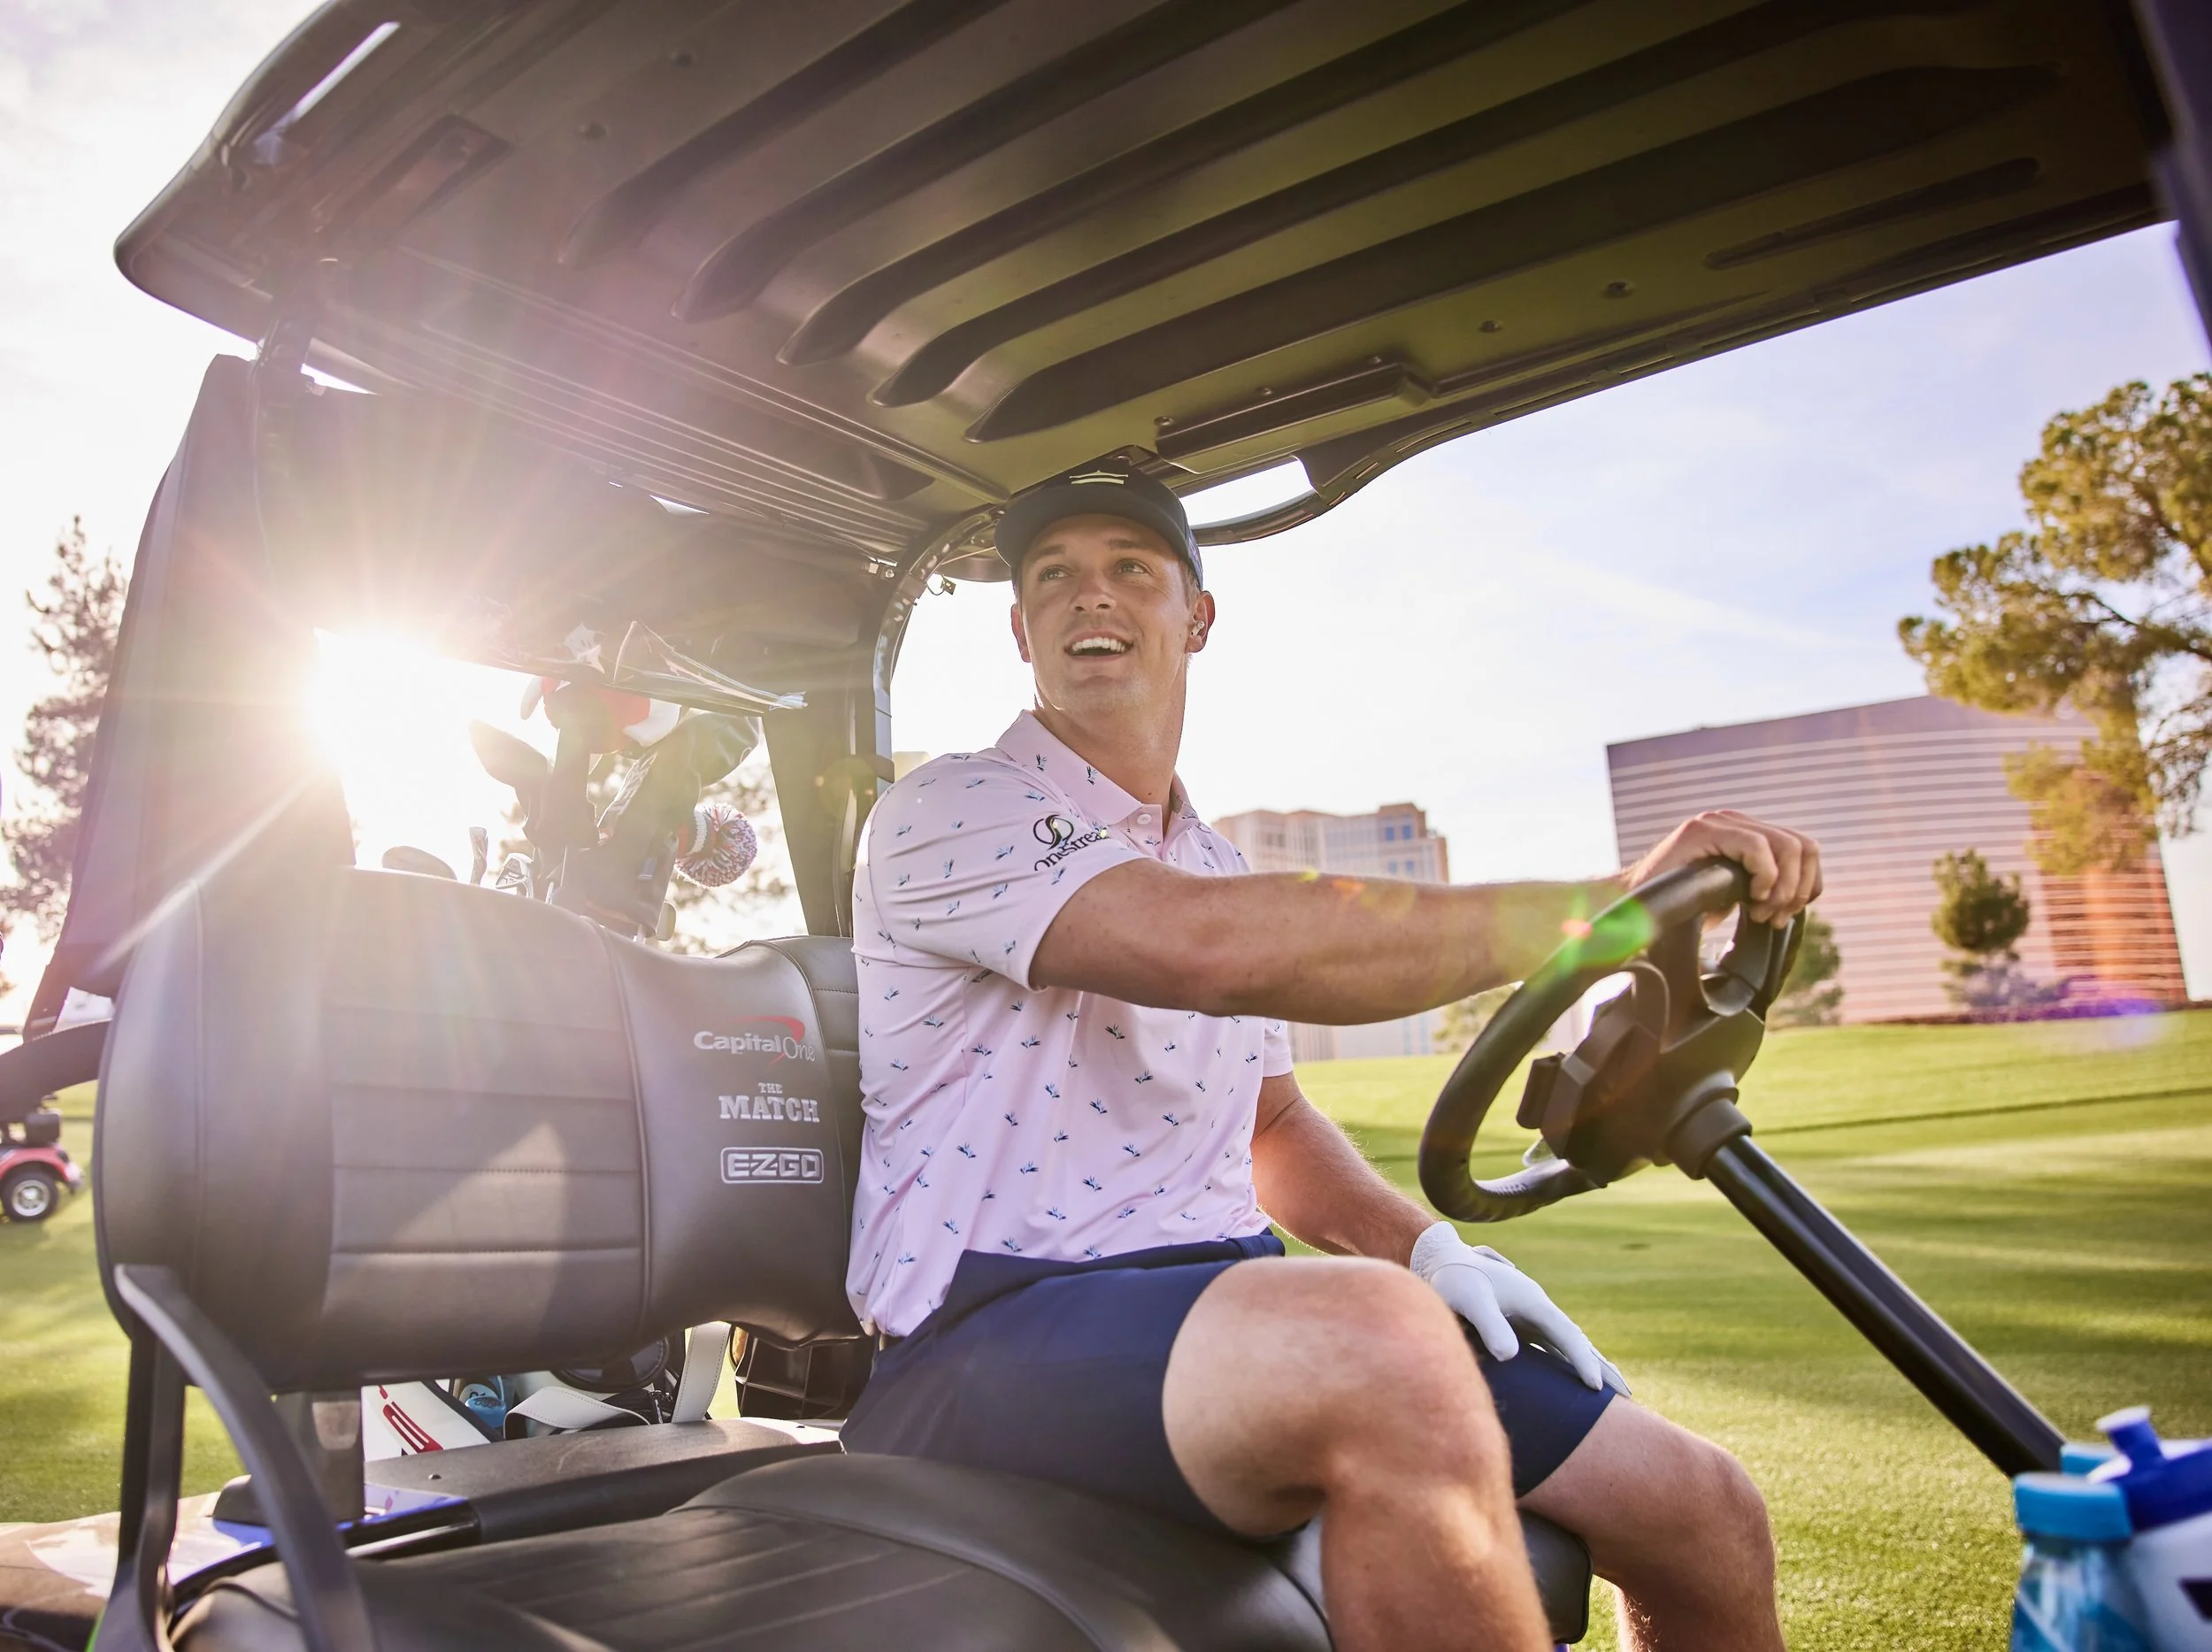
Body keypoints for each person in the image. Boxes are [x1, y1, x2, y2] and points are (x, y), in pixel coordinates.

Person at [840, 462, 1817, 1652]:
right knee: (1380, 1341)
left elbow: (1270, 1126)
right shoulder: (956, 805)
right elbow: (1202, 948)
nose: (1090, 597)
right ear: (1020, 628)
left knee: (1704, 1510)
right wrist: (1610, 904)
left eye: (1130, 570)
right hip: (986, 1336)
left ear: (1196, 618)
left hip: (1220, 1311)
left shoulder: (1203, 857)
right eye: (1055, 576)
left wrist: (1429, 1246)